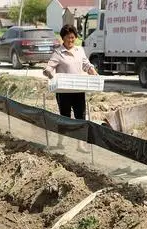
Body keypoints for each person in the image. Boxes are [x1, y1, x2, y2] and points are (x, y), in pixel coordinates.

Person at [43, 24, 97, 153]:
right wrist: (48, 72)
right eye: (68, 38)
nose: (71, 40)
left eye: (73, 37)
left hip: (78, 90)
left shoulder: (79, 51)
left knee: (80, 117)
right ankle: (61, 143)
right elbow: (50, 67)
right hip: (64, 91)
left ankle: (80, 145)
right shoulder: (58, 52)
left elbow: (86, 65)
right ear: (63, 38)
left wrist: (93, 72)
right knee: (64, 117)